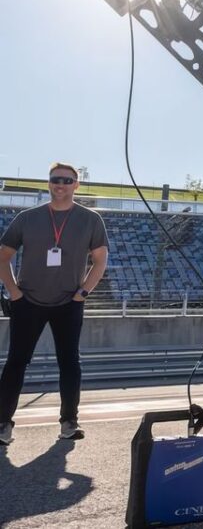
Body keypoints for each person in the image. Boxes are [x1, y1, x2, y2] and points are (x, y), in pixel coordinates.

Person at [0, 163, 109, 446]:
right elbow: (3, 256)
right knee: (16, 362)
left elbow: (100, 261)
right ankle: (2, 423)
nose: (60, 184)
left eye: (67, 180)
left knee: (70, 363)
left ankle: (69, 422)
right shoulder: (27, 218)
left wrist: (82, 293)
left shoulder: (90, 219)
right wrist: (14, 293)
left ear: (76, 185)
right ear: (48, 183)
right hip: (28, 301)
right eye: (55, 179)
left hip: (68, 302)